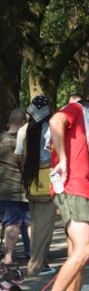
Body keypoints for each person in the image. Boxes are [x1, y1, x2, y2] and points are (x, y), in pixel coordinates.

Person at [28, 98, 89, 291]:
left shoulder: (80, 118)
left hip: (77, 189)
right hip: (74, 188)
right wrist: (63, 159)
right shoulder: (77, 109)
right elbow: (56, 120)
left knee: (76, 255)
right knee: (84, 251)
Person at [18, 96, 58, 276]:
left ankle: (42, 262)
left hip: (31, 182)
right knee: (45, 227)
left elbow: (20, 157)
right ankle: (36, 266)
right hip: (48, 181)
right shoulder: (51, 129)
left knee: (36, 225)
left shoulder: (24, 130)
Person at [0, 109, 30, 267]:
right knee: (16, 223)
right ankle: (9, 258)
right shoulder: (21, 141)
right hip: (17, 191)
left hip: (2, 190)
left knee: (12, 222)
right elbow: (24, 164)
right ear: (23, 123)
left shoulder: (1, 138)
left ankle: (32, 255)